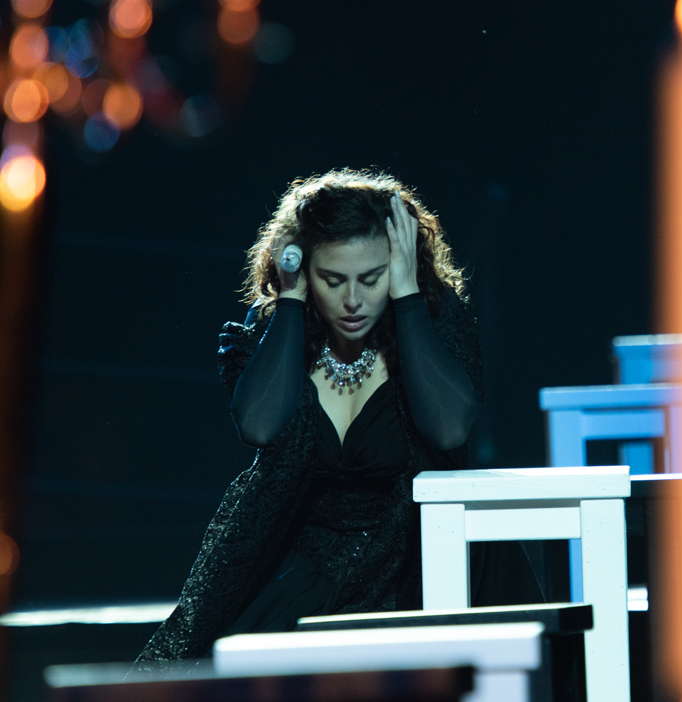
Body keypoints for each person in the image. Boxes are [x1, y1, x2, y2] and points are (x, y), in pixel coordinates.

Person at [135, 168, 537, 665]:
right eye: (332, 279)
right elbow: (260, 427)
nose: (352, 300)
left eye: (371, 278)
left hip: (424, 557)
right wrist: (290, 300)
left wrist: (407, 293)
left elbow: (450, 428)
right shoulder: (279, 333)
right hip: (312, 566)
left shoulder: (431, 323)